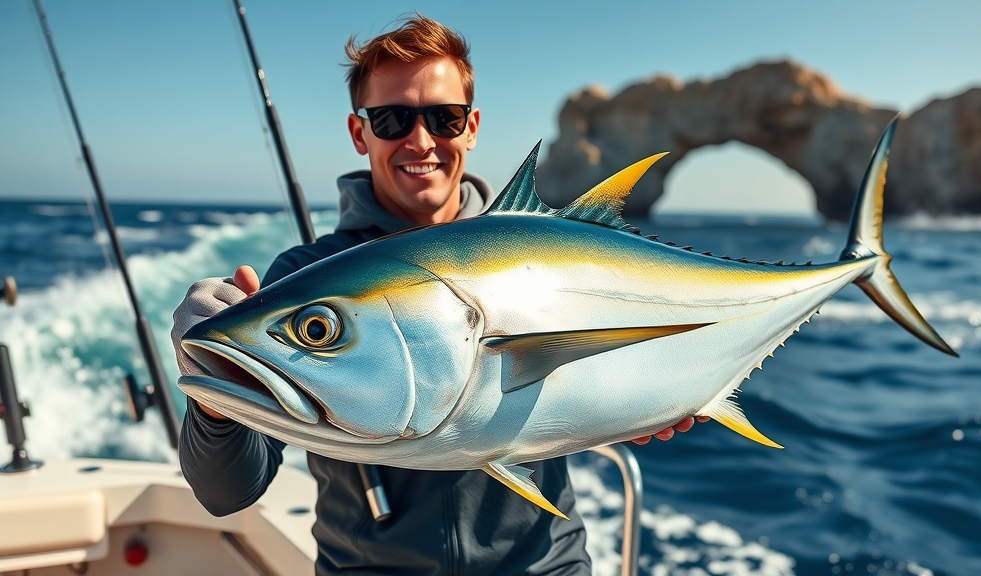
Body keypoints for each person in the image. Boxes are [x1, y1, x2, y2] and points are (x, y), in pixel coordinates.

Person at [171, 14, 700, 575]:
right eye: (392, 119)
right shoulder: (303, 281)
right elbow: (226, 494)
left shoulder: (552, 258)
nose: (420, 141)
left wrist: (651, 394)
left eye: (443, 118)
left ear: (471, 128)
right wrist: (214, 402)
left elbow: (614, 361)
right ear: (360, 133)